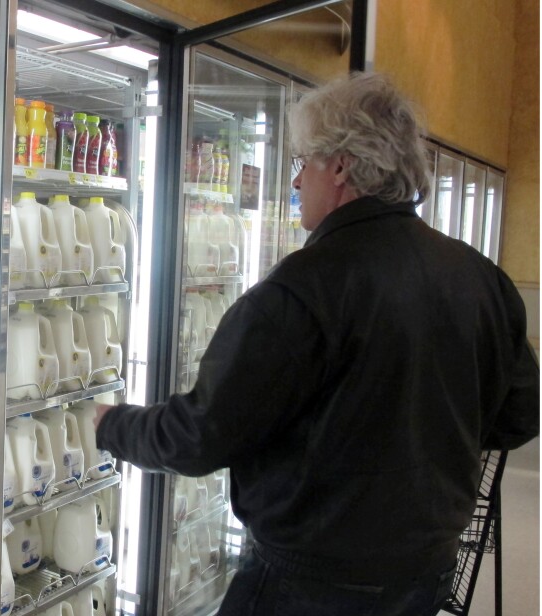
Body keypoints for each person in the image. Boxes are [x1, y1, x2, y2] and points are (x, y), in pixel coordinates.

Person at [94, 72, 539, 615]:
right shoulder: (478, 277)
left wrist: (111, 425)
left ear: (342, 165)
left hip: (313, 585)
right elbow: (520, 415)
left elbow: (202, 436)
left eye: (303, 162)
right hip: (424, 572)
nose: (297, 181)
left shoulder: (302, 290)